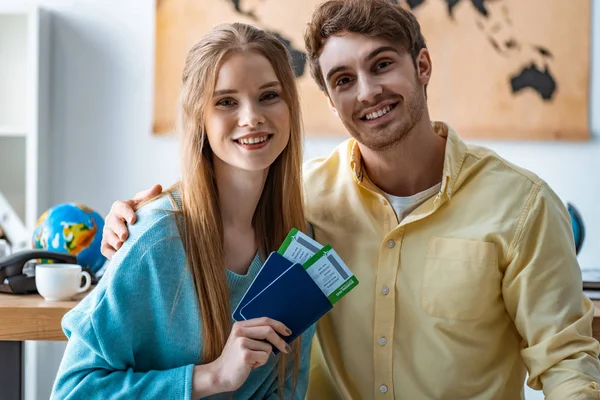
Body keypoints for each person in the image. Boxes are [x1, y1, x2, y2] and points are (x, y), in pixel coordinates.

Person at [100, 0, 600, 399]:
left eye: (382, 65)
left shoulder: (522, 206)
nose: (367, 92)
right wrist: (134, 214)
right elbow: (217, 188)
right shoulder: (299, 200)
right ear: (328, 100)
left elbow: (566, 363)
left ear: (422, 65)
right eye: (343, 80)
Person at [51, 22, 315, 400]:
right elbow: (71, 391)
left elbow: (286, 389)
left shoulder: (300, 244)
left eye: (269, 95)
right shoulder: (155, 238)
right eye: (226, 101)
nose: (251, 116)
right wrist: (212, 377)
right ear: (199, 118)